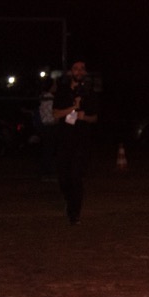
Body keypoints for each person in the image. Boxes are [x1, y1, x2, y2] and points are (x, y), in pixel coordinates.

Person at [51, 61, 99, 223]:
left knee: (76, 177)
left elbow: (95, 118)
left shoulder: (90, 93)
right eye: (76, 69)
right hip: (64, 140)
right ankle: (68, 199)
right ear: (71, 72)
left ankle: (74, 213)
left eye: (82, 69)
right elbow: (55, 114)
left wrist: (84, 117)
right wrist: (73, 108)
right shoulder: (63, 91)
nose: (79, 71)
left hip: (82, 142)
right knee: (64, 178)